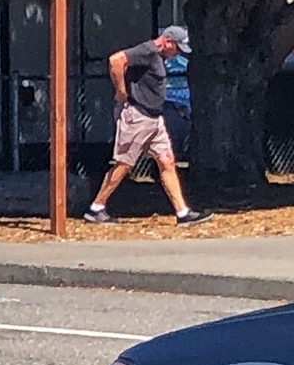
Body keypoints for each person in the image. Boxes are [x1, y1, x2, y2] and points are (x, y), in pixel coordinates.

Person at [86, 25, 210, 225]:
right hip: (138, 116)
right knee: (124, 164)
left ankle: (183, 212)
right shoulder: (148, 51)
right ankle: (96, 208)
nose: (177, 53)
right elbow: (116, 60)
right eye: (176, 48)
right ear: (167, 41)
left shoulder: (160, 57)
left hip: (155, 119)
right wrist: (121, 92)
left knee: (167, 161)